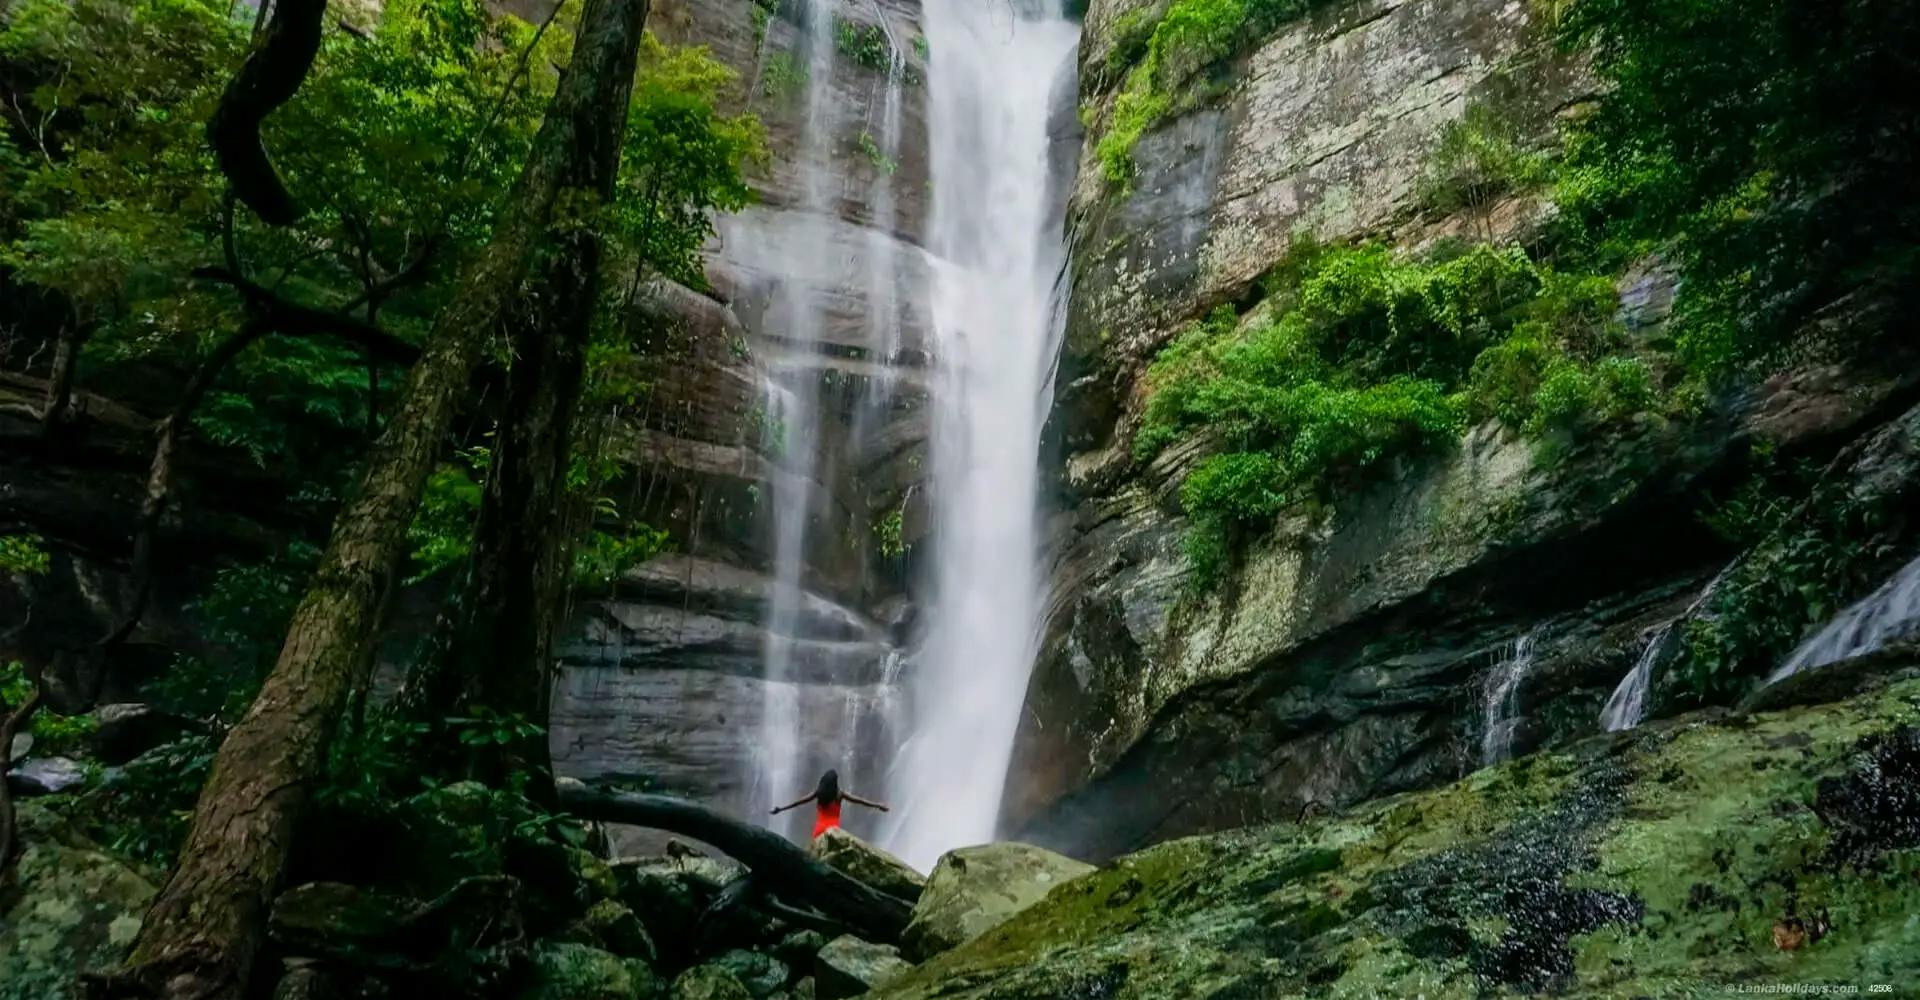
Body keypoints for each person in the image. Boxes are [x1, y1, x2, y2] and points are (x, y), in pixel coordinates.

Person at [770, 769, 888, 838]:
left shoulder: (818, 793)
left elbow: (798, 802)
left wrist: (780, 809)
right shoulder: (840, 794)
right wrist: (878, 805)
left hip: (819, 829)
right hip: (833, 830)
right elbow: (860, 801)